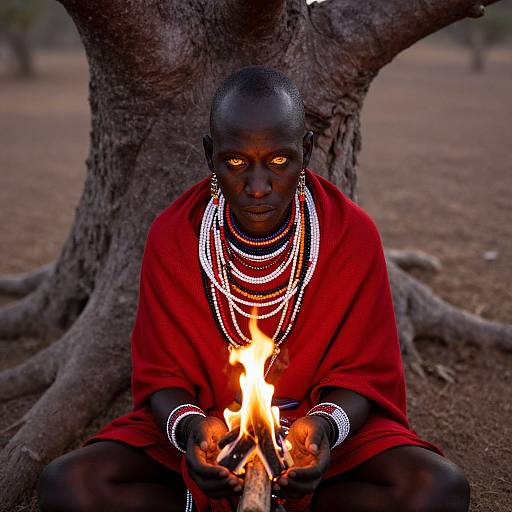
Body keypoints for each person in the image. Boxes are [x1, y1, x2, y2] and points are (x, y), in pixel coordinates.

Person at [37, 65, 470, 512]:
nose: (258, 187)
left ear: (306, 152)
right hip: (207, 436)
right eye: (236, 162)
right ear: (210, 155)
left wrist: (321, 429)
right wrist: (190, 430)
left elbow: (366, 375)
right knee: (69, 484)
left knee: (436, 488)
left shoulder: (350, 234)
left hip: (318, 448)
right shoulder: (174, 234)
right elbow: (160, 376)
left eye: (279, 162)